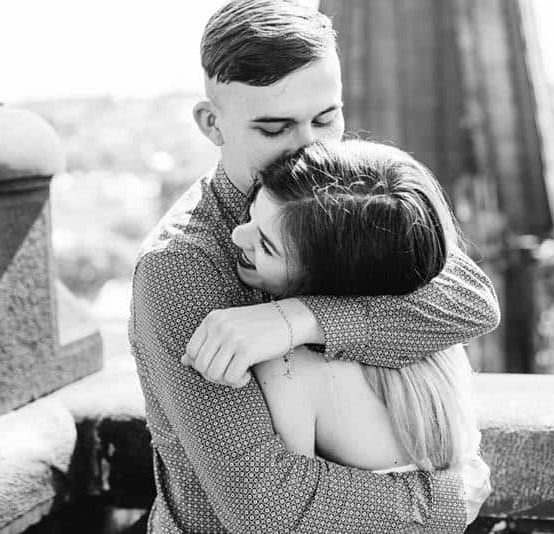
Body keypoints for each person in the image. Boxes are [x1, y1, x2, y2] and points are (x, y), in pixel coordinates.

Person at [130, 1, 500, 532]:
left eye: (325, 119)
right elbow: (263, 504)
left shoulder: (345, 184)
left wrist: (301, 319)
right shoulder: (182, 266)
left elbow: (471, 302)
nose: (307, 151)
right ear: (212, 123)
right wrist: (441, 502)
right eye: (274, 128)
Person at [231, 139, 492, 525]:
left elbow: (288, 516)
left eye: (266, 246)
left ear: (325, 277)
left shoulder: (286, 365)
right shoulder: (433, 336)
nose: (238, 236)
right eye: (252, 213)